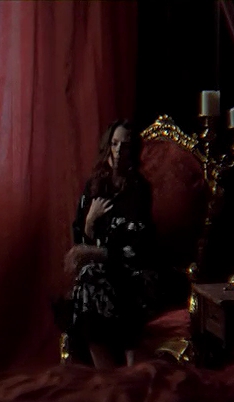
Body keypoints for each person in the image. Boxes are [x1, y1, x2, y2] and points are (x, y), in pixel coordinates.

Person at [54, 119, 161, 369]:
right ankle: (110, 368)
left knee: (89, 283)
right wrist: (90, 222)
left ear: (132, 150)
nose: (118, 151)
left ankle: (107, 372)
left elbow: (137, 249)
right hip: (99, 275)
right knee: (89, 280)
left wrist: (95, 252)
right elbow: (80, 241)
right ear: (107, 146)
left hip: (132, 274)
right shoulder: (94, 186)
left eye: (125, 145)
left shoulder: (139, 190)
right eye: (114, 144)